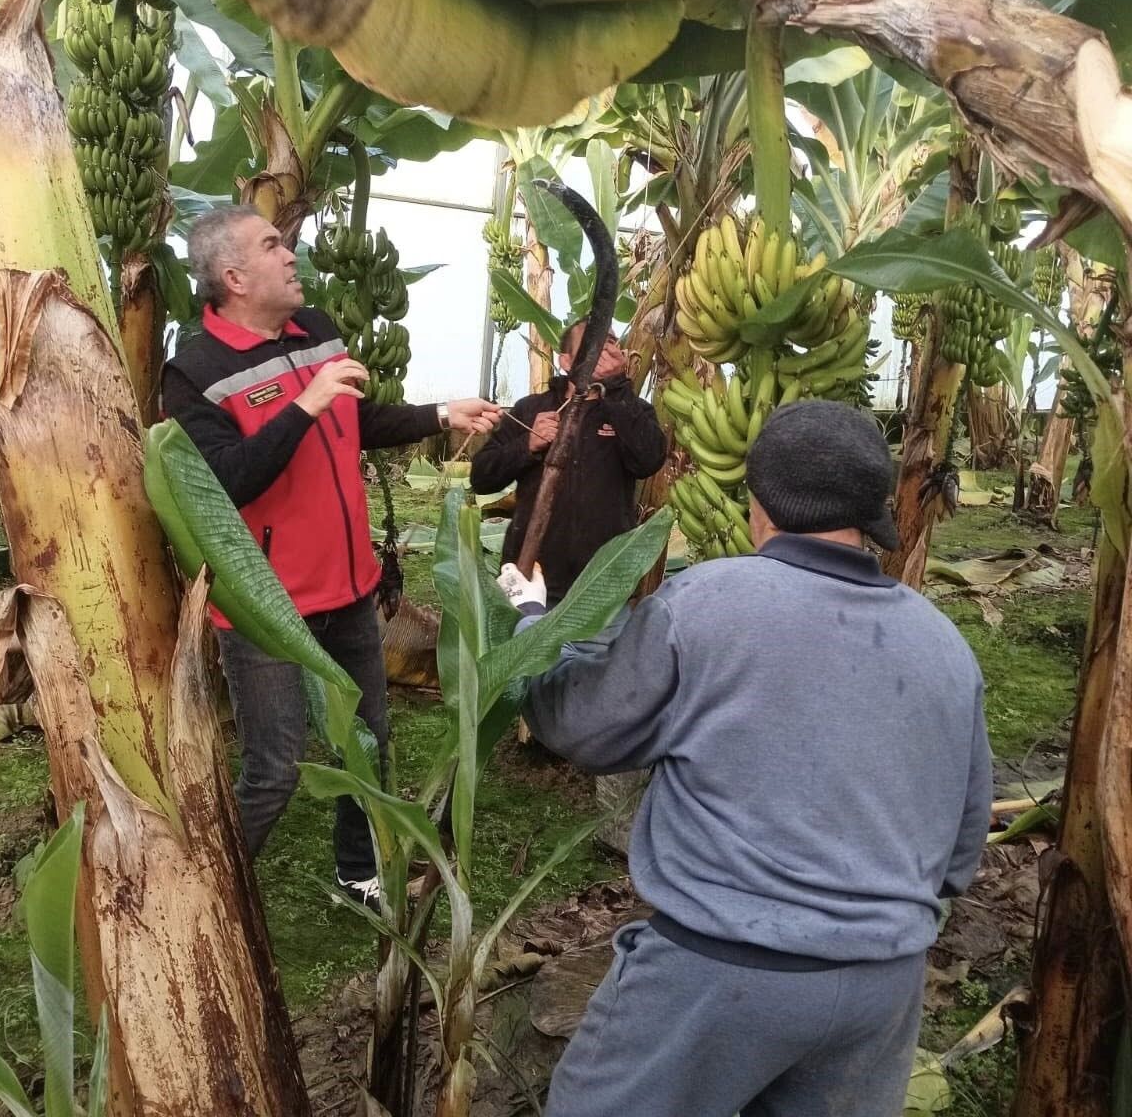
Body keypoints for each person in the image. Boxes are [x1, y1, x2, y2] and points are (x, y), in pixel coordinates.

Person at [497, 400, 992, 1117]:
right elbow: (959, 852)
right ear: (873, 516)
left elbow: (582, 724)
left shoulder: (706, 602)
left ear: (760, 505)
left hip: (720, 974)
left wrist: (535, 627)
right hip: (882, 989)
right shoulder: (944, 643)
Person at [161, 205, 500, 906]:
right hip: (266, 606)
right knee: (274, 766)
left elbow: (358, 419)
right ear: (234, 276)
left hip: (348, 590)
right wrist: (303, 405)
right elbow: (227, 477)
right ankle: (205, 902)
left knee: (368, 745)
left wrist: (440, 416)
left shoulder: (316, 332)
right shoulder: (195, 373)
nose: (291, 255)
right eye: (272, 246)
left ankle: (359, 876)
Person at [470, 322, 666, 605]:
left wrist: (617, 391)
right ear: (565, 361)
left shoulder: (632, 410)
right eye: (592, 342)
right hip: (532, 581)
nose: (602, 348)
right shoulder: (530, 409)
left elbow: (648, 460)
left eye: (610, 341)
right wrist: (527, 445)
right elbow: (482, 476)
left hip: (601, 591)